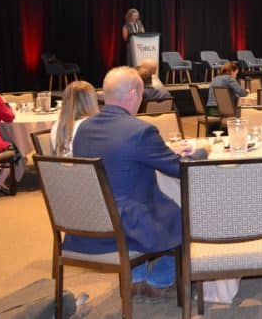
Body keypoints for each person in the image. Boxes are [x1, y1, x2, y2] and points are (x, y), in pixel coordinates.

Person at [66, 67, 210, 298]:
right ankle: (159, 280)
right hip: (128, 225)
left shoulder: (83, 128)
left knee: (155, 202)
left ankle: (136, 277)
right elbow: (180, 168)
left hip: (86, 222)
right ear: (134, 93)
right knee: (192, 215)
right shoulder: (140, 131)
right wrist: (203, 151)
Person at [50, 81, 100, 157]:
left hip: (62, 165)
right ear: (92, 101)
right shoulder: (93, 127)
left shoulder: (57, 126)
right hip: (89, 164)